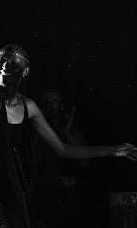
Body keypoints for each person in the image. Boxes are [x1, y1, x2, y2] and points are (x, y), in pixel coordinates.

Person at [0, 44, 137, 228]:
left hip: (1, 185)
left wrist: (114, 150)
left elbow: (62, 149)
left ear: (25, 70)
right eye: (1, 61)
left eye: (14, 61)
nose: (6, 65)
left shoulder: (28, 107)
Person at [33, 88, 89, 228]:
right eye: (47, 102)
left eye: (55, 101)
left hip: (67, 198)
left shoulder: (70, 131)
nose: (51, 106)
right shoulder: (33, 132)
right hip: (43, 197)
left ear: (62, 105)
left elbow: (85, 162)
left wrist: (68, 133)